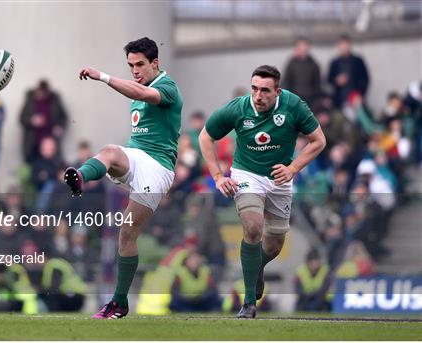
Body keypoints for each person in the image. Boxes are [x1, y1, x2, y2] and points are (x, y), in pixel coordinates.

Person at [62, 37, 183, 319]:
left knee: (127, 234)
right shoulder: (137, 91)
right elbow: (137, 94)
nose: (135, 70)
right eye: (131, 66)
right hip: (136, 159)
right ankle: (80, 177)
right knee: (110, 151)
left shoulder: (167, 87)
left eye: (140, 64)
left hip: (158, 168)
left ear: (155, 63)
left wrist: (102, 77)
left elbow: (142, 95)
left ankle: (119, 302)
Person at [199, 65, 326, 318]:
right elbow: (205, 137)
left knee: (275, 244)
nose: (258, 95)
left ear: (277, 91)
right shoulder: (238, 108)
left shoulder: (293, 106)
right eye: (254, 88)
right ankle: (248, 303)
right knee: (253, 227)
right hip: (246, 175)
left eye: (265, 90)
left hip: (280, 177)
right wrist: (217, 176)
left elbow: (319, 141)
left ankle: (256, 269)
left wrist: (293, 168)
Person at [19, 80, 68, 163]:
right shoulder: (30, 101)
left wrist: (59, 126)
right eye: (39, 92)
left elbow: (63, 117)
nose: (41, 95)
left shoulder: (54, 101)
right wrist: (32, 120)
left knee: (51, 166)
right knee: (33, 168)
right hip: (33, 143)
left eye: (43, 93)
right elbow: (22, 119)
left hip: (49, 143)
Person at [327, 34, 370, 109]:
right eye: (342, 44)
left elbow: (365, 79)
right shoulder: (335, 63)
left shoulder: (358, 61)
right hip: (339, 100)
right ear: (338, 46)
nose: (344, 47)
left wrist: (360, 95)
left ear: (350, 45)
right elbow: (328, 80)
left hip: (356, 99)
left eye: (346, 44)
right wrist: (337, 80)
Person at [282, 37, 322, 109]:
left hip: (311, 100)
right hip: (295, 99)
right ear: (296, 48)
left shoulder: (314, 64)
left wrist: (317, 100)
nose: (303, 49)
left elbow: (318, 84)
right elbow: (286, 82)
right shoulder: (291, 64)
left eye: (305, 46)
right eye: (300, 46)